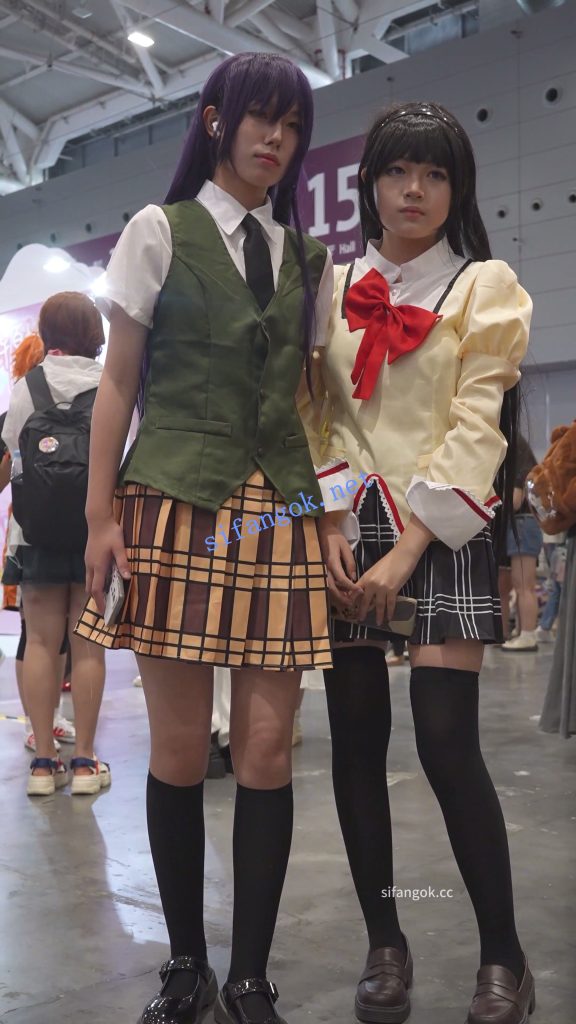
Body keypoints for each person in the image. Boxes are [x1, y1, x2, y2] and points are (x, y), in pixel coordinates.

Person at [75, 53, 333, 1024]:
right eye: (262, 118)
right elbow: (118, 381)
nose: (278, 139)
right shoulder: (160, 230)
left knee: (266, 749)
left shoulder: (309, 258)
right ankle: (186, 964)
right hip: (173, 502)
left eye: (293, 126)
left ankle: (250, 975)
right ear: (217, 120)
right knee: (181, 748)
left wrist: (332, 511)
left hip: (280, 514)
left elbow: (315, 403)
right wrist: (100, 515)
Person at [302, 101, 535, 1024]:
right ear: (369, 183)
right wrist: (328, 520)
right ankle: (385, 945)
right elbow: (314, 414)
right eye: (398, 171)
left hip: (439, 526)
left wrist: (405, 551)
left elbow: (479, 426)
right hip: (345, 526)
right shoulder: (330, 286)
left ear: (457, 189)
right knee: (355, 743)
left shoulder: (485, 287)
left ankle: (504, 956)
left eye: (435, 174)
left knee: (446, 743)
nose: (414, 190)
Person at [2, 307, 106, 797]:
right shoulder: (110, 384)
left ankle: (43, 763)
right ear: (96, 334)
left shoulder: (28, 387)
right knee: (87, 644)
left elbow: (13, 452)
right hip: (93, 534)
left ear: (47, 335)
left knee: (41, 643)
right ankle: (85, 761)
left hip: (35, 535)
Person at [1, 334, 75, 753]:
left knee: (55, 636)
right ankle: (36, 723)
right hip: (30, 535)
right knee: (36, 635)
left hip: (49, 534)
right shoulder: (17, 411)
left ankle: (49, 721)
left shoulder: (77, 404)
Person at [501, 433, 543, 652]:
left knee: (524, 585)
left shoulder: (520, 465)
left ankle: (527, 635)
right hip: (524, 525)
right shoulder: (526, 464)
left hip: (523, 524)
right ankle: (523, 632)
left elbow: (515, 501)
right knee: (522, 585)